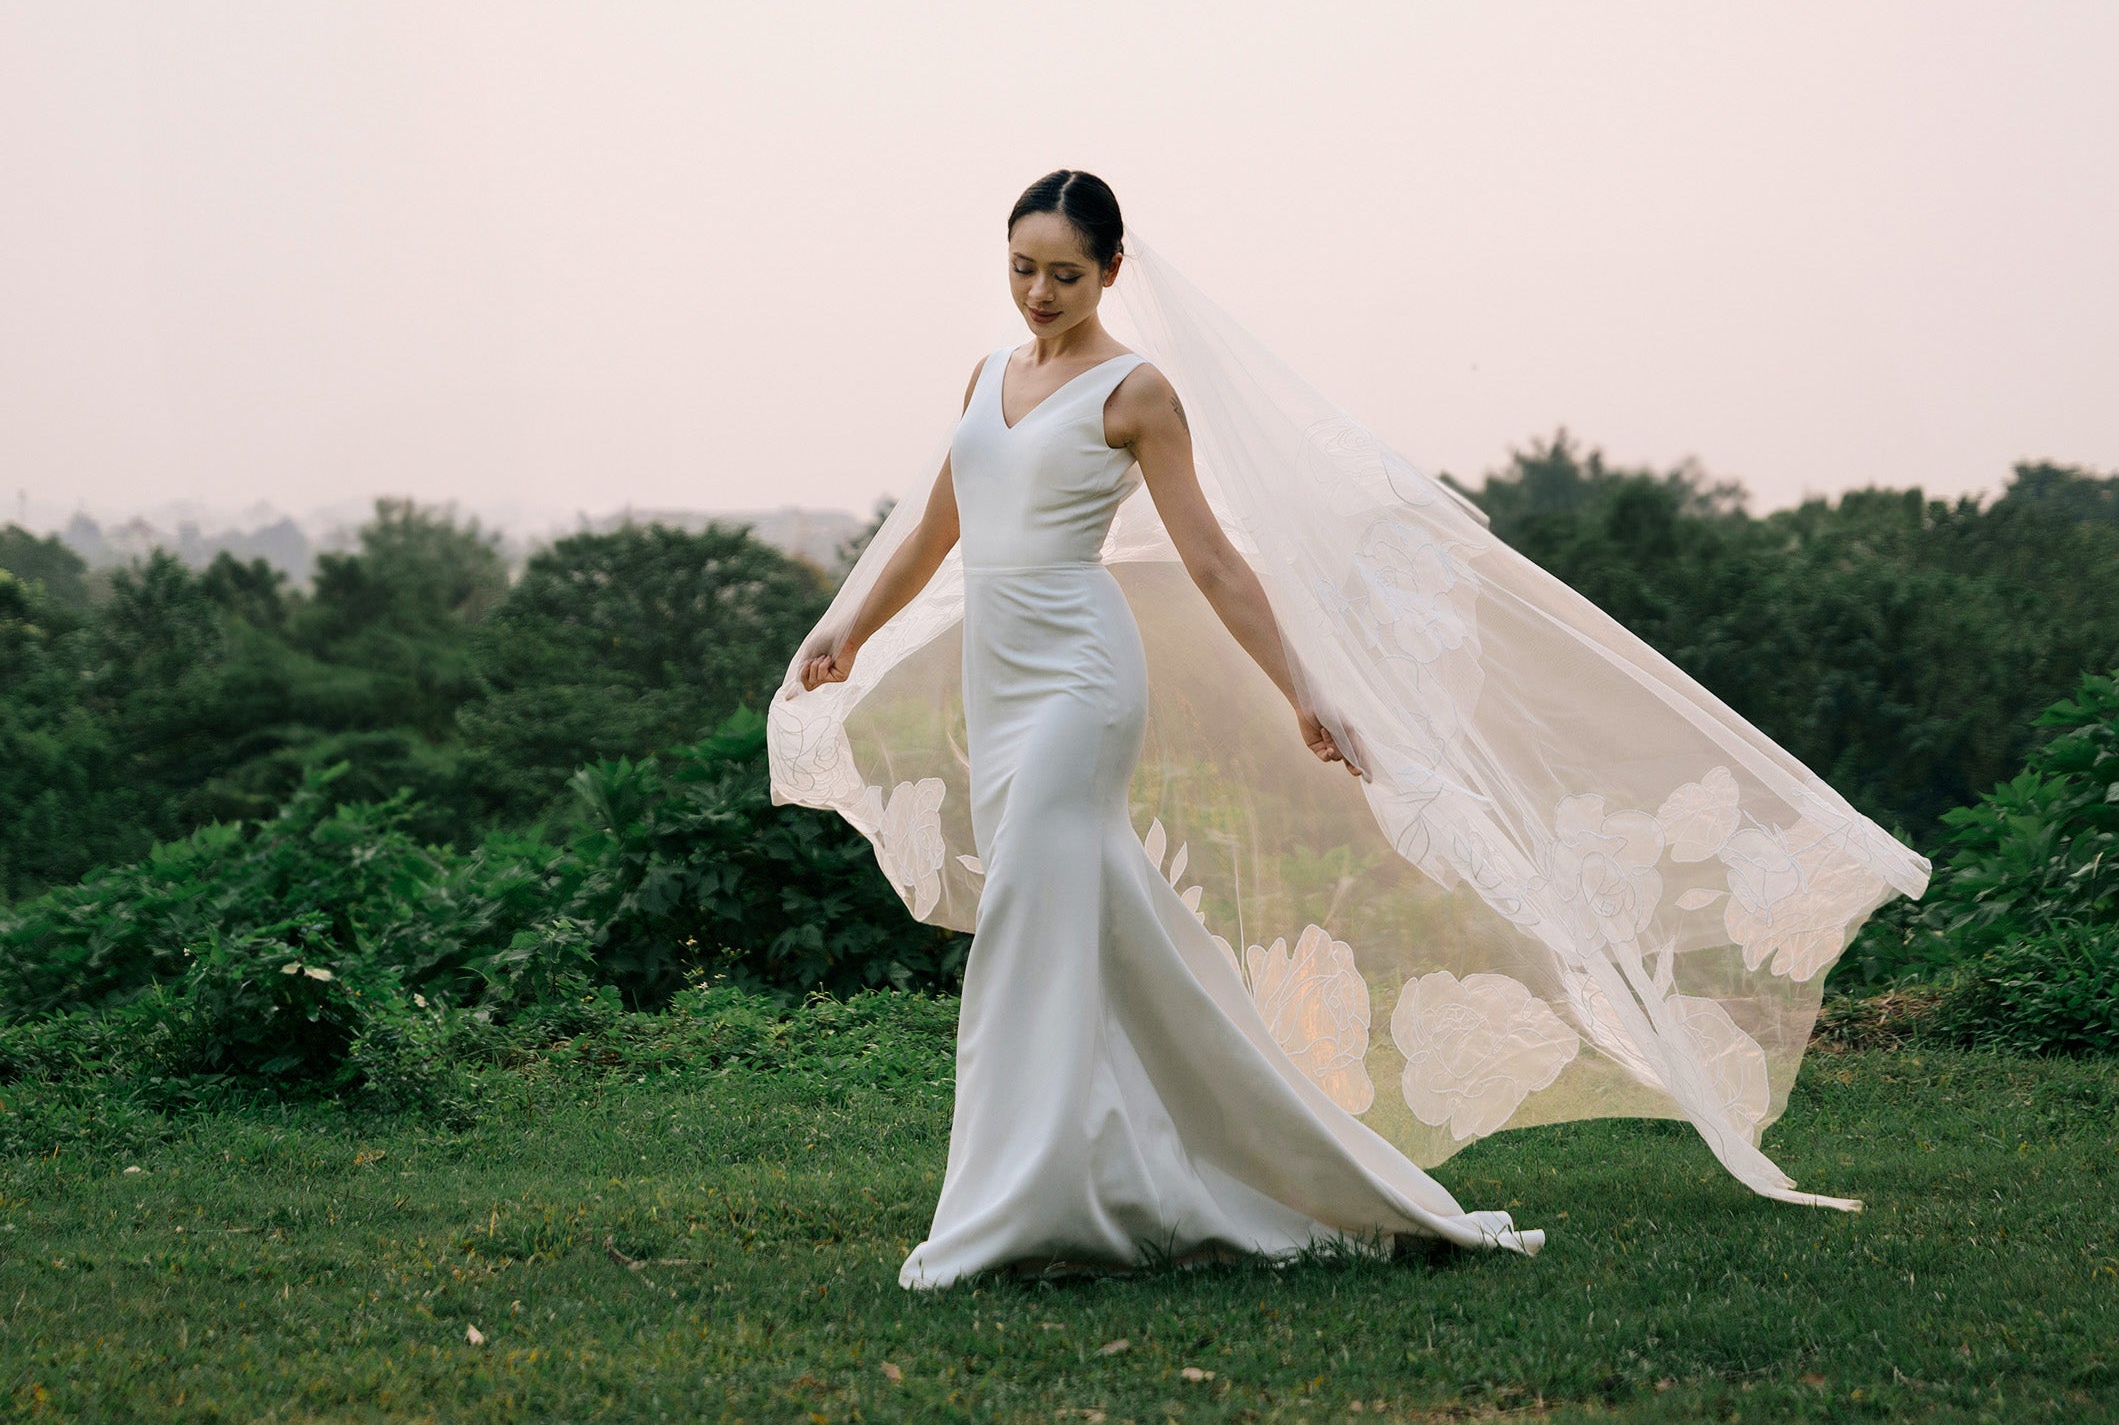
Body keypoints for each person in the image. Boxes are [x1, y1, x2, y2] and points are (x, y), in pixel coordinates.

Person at [774, 171, 1926, 1289]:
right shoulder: (987, 375)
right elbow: (935, 528)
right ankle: (1150, 1168)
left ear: (1111, 271)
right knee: (1101, 925)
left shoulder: (1136, 394)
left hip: (1079, 683)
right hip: (999, 684)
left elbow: (1214, 561)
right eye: (1022, 270)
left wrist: (1303, 689)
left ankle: (1004, 1208)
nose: (1038, 293)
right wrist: (847, 628)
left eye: (1064, 275)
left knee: (1027, 910)